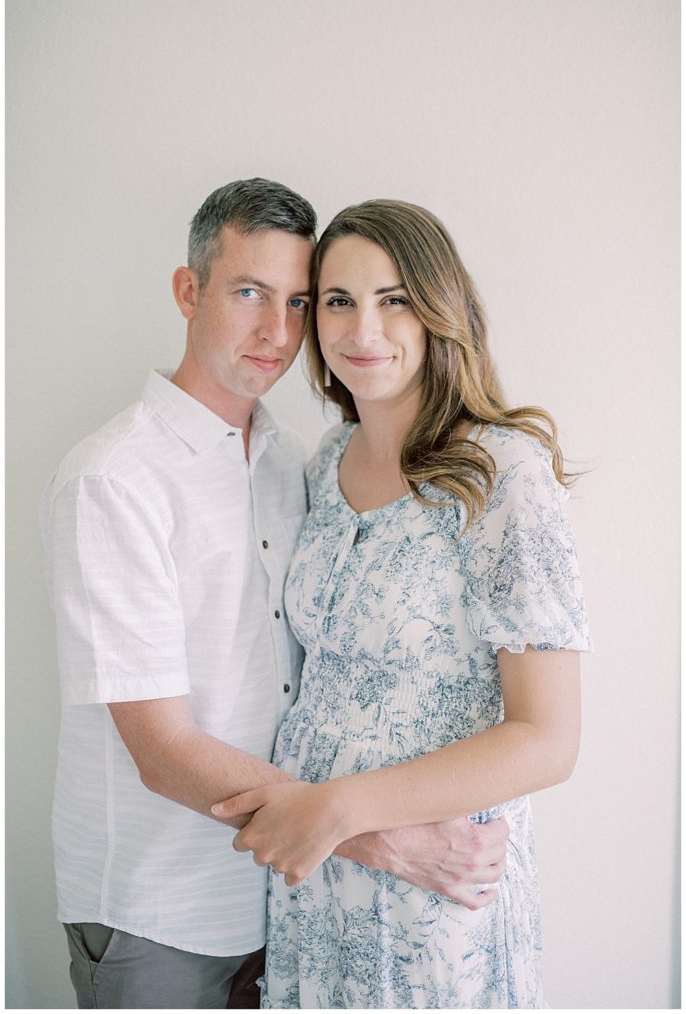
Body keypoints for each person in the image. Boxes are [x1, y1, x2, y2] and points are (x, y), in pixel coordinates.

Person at [40, 180, 510, 1010]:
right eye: (248, 292)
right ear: (188, 291)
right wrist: (388, 844)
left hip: (290, 909)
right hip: (162, 916)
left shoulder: (301, 461)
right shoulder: (113, 480)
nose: (277, 333)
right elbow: (162, 751)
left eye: (298, 302)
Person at [213, 198, 592, 1008]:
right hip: (319, 880)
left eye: (393, 301)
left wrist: (340, 808)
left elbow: (548, 740)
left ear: (439, 310)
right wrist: (327, 824)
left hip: (436, 886)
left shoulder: (501, 474)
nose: (362, 332)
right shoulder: (324, 460)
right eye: (339, 302)